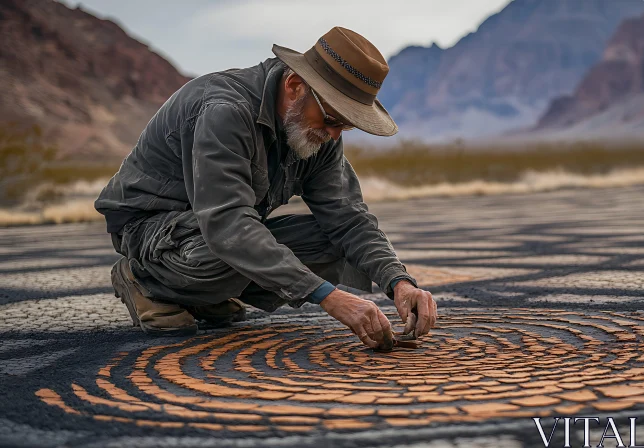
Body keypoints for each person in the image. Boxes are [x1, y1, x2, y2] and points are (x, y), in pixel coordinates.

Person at [94, 27, 437, 349]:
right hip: (149, 230)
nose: (335, 135)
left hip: (205, 233)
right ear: (294, 86)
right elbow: (228, 224)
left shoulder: (317, 130)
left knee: (331, 240)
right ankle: (145, 281)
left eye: (346, 126)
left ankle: (202, 293)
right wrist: (330, 298)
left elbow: (348, 218)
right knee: (228, 247)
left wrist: (399, 282)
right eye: (332, 119)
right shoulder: (226, 112)